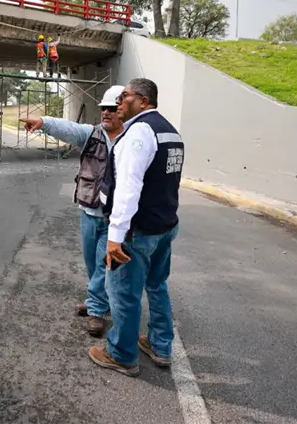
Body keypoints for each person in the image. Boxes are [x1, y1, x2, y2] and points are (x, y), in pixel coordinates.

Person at [88, 78, 185, 378]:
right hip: (164, 226)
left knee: (124, 293)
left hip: (139, 231)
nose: (118, 101)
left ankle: (121, 354)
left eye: (125, 96)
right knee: (156, 286)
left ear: (143, 100)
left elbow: (129, 188)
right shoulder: (170, 131)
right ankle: (160, 345)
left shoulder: (139, 133)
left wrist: (115, 238)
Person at [19, 85, 125, 337]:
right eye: (103, 109)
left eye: (112, 109)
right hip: (89, 213)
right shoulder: (92, 135)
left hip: (114, 218)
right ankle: (98, 300)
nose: (106, 113)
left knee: (103, 264)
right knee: (92, 263)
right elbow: (68, 128)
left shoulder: (131, 140)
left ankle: (97, 310)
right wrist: (43, 122)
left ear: (124, 111)